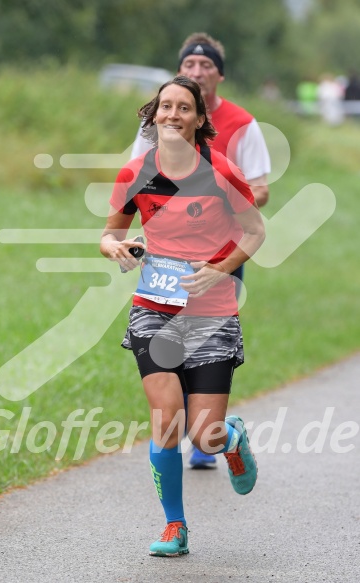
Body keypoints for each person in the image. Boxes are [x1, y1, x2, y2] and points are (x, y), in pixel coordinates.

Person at [100, 75, 265, 557]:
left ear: (198, 119)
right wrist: (117, 248)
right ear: (153, 116)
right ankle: (175, 526)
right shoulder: (135, 173)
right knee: (166, 420)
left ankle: (230, 438)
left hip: (211, 312)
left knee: (204, 437)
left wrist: (220, 269)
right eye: (165, 107)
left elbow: (255, 232)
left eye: (183, 108)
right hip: (153, 308)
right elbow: (108, 235)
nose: (173, 115)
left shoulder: (222, 172)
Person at [131, 32, 271, 469]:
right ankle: (196, 439)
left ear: (218, 75)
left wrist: (221, 201)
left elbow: (259, 193)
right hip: (165, 264)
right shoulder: (156, 127)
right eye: (188, 64)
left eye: (204, 65)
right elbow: (138, 183)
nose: (196, 70)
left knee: (205, 346)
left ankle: (212, 436)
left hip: (223, 251)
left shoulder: (243, 125)